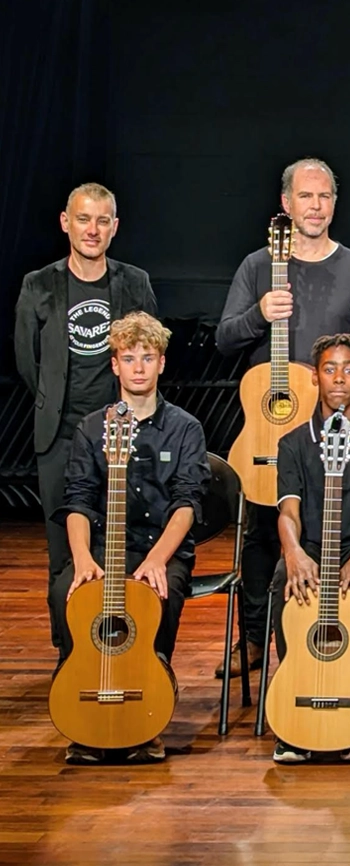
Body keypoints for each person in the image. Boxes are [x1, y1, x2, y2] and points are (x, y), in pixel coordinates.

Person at [217, 157, 350, 679]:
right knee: (262, 536)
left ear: (335, 204)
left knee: (330, 531)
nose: (315, 207)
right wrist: (258, 314)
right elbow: (225, 338)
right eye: (305, 197)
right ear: (286, 205)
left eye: (324, 197)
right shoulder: (257, 266)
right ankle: (252, 641)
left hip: (335, 429)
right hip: (272, 426)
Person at [54, 312, 208, 764]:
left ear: (161, 363)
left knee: (155, 598)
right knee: (67, 591)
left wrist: (160, 559)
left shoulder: (185, 429)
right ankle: (84, 710)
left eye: (147, 357)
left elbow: (187, 504)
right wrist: (82, 559)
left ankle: (147, 714)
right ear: (114, 366)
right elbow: (78, 500)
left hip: (160, 548)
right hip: (104, 547)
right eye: (128, 358)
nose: (138, 367)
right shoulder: (90, 428)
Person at [16, 182, 158, 657]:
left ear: (114, 227)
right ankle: (71, 652)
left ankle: (123, 648)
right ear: (65, 222)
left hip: (123, 431)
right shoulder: (38, 284)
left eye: (102, 220)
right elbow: (26, 361)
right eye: (83, 219)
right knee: (65, 552)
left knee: (123, 539)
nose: (92, 229)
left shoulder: (134, 282)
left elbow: (148, 349)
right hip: (59, 437)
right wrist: (61, 406)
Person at [271, 334, 350, 763]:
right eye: (329, 369)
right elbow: (288, 511)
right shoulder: (292, 442)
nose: (339, 378)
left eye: (349, 369)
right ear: (315, 377)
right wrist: (293, 553)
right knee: (284, 584)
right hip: (311, 545)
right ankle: (295, 700)